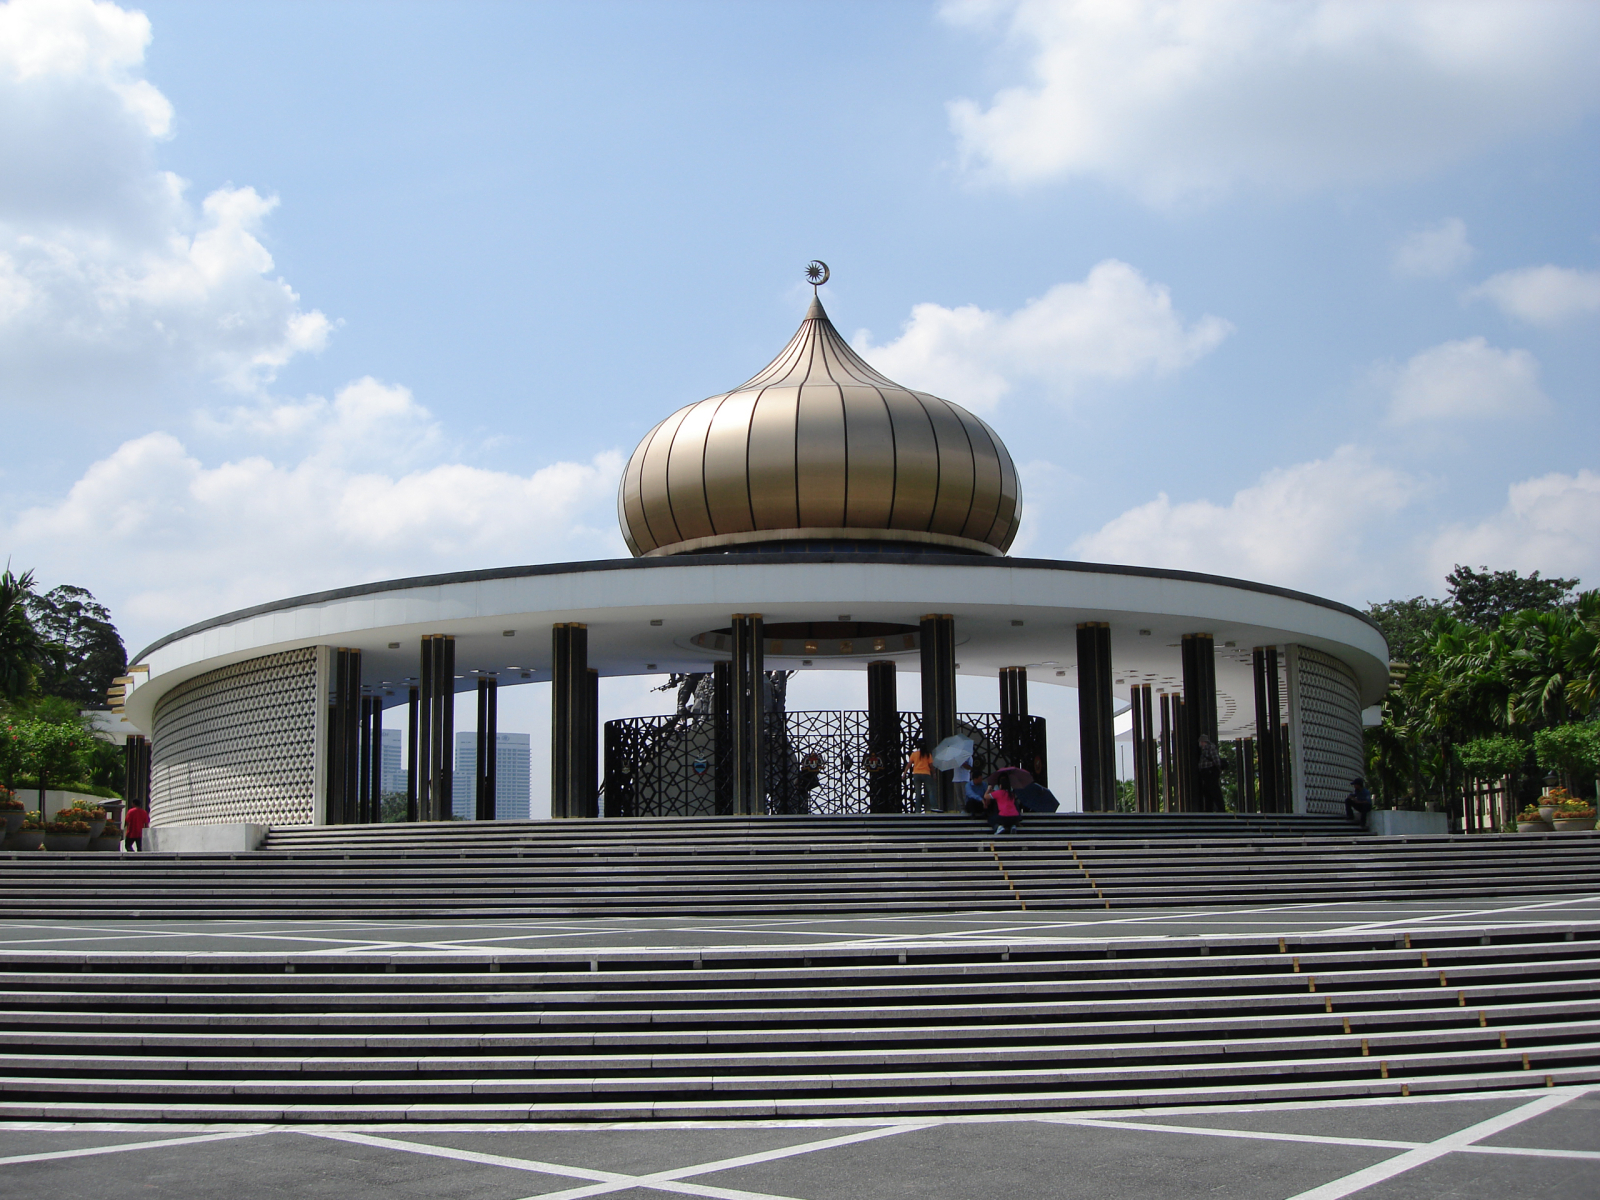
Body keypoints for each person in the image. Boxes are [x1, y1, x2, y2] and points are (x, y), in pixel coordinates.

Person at [904, 740, 935, 812]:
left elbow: (909, 764)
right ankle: (933, 807)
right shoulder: (928, 754)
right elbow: (931, 766)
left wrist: (904, 773)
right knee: (930, 791)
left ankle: (918, 810)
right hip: (926, 774)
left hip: (916, 774)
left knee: (918, 793)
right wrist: (934, 774)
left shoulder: (914, 754)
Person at [1197, 735, 1225, 813]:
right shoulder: (1205, 749)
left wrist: (1218, 768)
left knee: (1214, 790)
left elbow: (1216, 759)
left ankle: (1220, 808)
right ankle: (1209, 808)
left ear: (1203, 742)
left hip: (1210, 771)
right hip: (1206, 772)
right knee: (1207, 791)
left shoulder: (1210, 748)